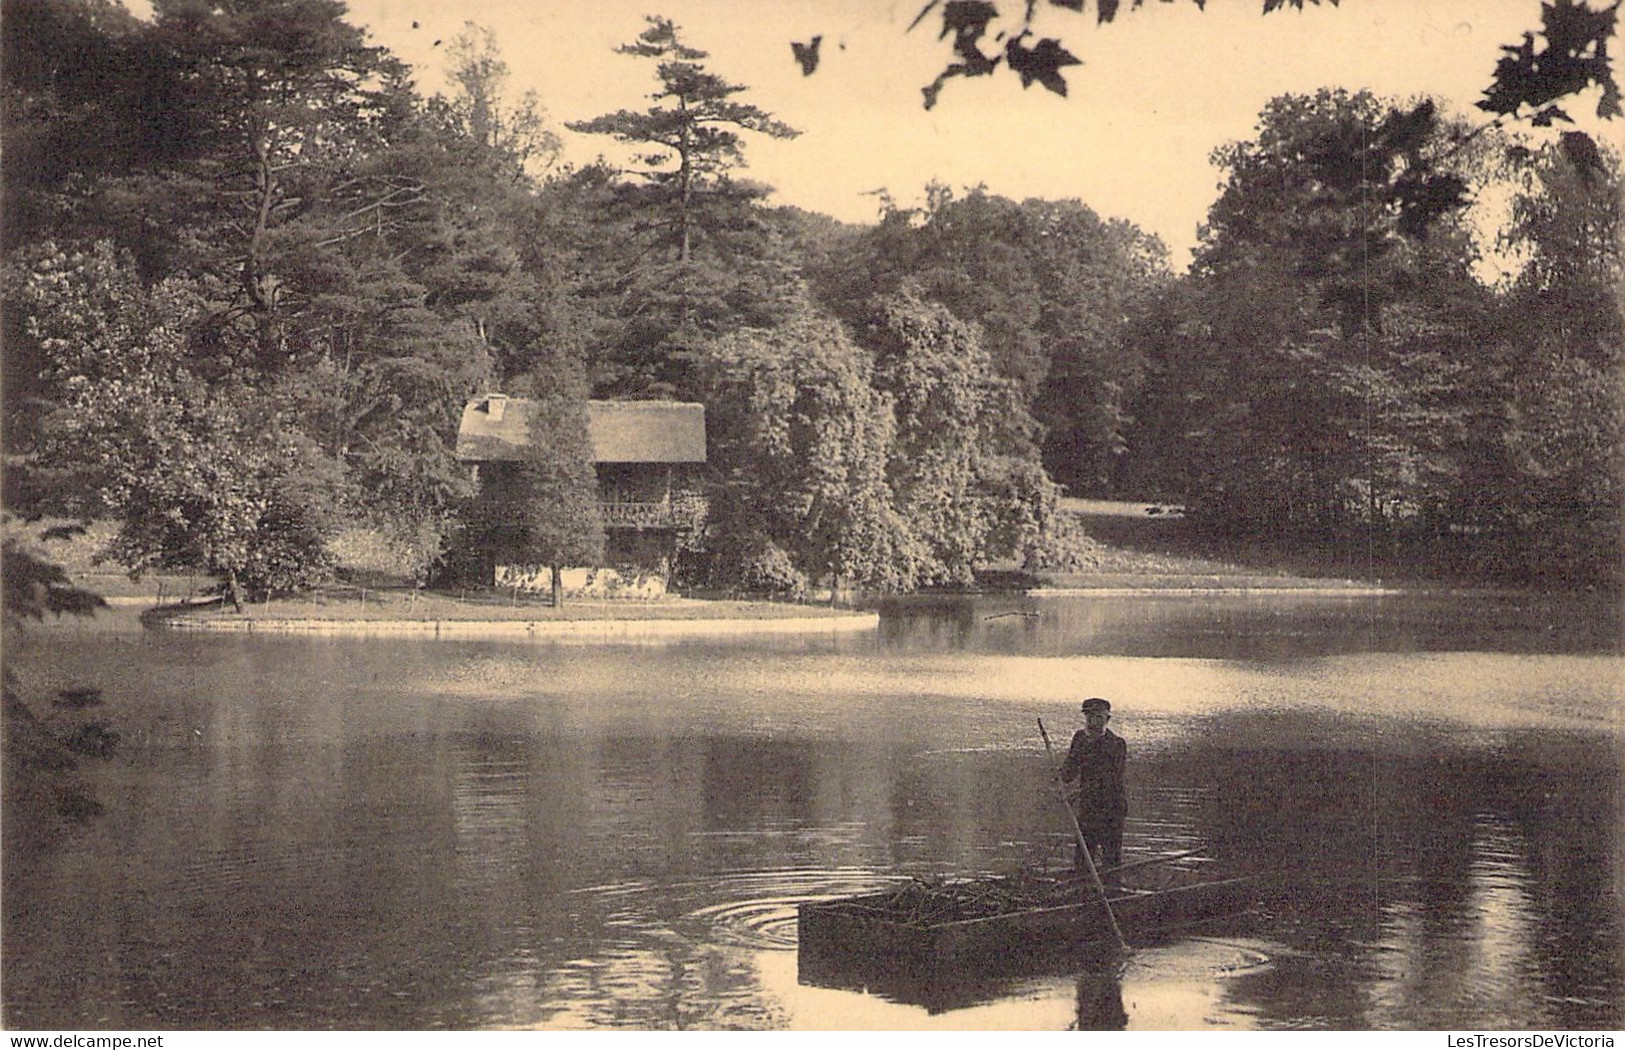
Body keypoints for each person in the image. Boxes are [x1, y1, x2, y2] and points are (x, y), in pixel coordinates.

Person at [1058, 697, 1127, 874]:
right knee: (1083, 858)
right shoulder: (1080, 738)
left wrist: (1078, 792)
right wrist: (1060, 773)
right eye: (1089, 716)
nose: (1092, 721)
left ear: (1107, 719)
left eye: (1098, 717)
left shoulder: (1117, 744)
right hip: (1088, 809)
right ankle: (1082, 894)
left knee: (1111, 860)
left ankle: (1112, 895)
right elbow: (1068, 774)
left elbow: (1110, 781)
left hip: (1112, 810)